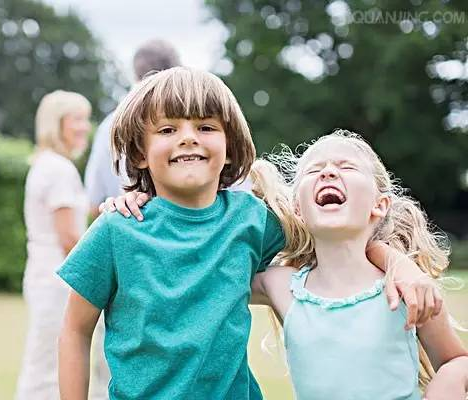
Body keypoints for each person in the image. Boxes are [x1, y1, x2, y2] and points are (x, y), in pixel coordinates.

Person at [56, 68, 439, 399]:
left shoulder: (253, 220)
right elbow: (75, 330)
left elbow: (337, 240)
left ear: (230, 146)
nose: (188, 138)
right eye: (168, 129)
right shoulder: (117, 230)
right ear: (140, 153)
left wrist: (399, 265)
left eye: (205, 127)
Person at [249, 130, 468, 399]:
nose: (328, 172)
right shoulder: (282, 286)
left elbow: (457, 360)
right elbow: (220, 271)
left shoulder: (409, 289)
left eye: (346, 166)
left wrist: (449, 378)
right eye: (314, 170)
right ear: (298, 209)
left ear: (380, 205)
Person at [16, 90, 103, 400]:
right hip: (57, 283)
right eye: (76, 119)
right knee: (48, 373)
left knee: (43, 366)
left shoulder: (48, 165)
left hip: (45, 279)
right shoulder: (57, 168)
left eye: (85, 119)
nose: (84, 127)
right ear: (56, 124)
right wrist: (106, 272)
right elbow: (69, 239)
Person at [84, 39, 181, 219]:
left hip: (127, 223)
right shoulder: (191, 119)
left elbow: (93, 199)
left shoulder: (108, 126)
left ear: (135, 73)